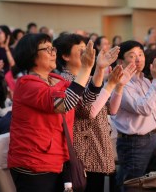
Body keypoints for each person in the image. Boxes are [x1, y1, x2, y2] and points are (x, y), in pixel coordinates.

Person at [8, 33, 95, 192]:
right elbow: (63, 104)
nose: (53, 52)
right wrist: (86, 68)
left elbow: (85, 100)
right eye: (47, 49)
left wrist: (101, 70)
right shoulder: (27, 84)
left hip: (59, 158)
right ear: (31, 55)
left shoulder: (57, 80)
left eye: (52, 48)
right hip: (34, 163)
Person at [55, 33, 136, 192]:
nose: (88, 54)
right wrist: (108, 83)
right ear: (65, 56)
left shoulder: (89, 77)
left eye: (88, 49)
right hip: (83, 149)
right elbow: (87, 112)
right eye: (81, 50)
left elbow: (111, 109)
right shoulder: (64, 80)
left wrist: (119, 86)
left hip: (97, 142)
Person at [111, 40, 156, 190]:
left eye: (141, 54)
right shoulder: (120, 85)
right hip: (134, 143)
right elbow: (144, 108)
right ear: (121, 61)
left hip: (152, 138)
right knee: (134, 185)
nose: (138, 59)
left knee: (150, 185)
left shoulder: (144, 81)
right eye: (132, 55)